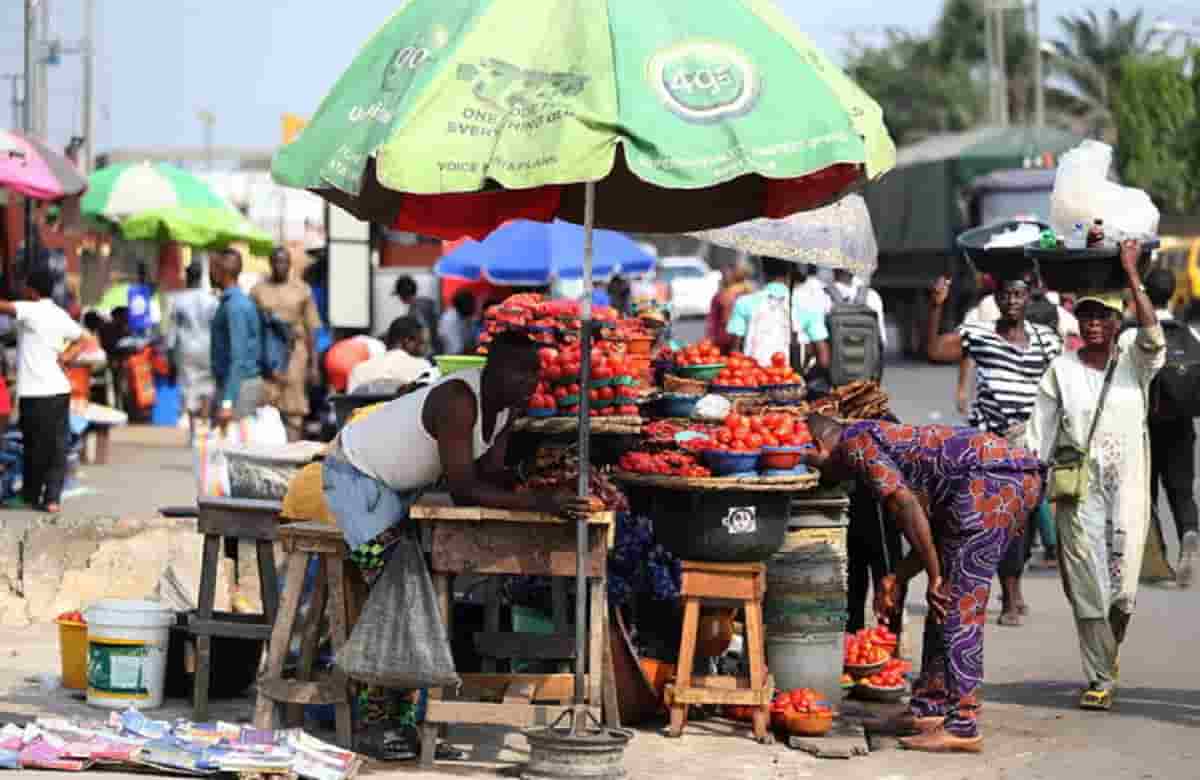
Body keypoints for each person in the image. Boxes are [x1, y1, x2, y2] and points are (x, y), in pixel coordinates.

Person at [322, 330, 593, 760]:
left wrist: (538, 474)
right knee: (401, 596)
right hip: (356, 478)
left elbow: (488, 473)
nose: (529, 382)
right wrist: (542, 500)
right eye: (519, 372)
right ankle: (375, 724)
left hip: (396, 490)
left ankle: (405, 724)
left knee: (416, 599)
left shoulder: (505, 408)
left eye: (534, 373)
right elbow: (465, 489)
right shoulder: (459, 401)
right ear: (493, 369)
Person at [803, 414, 1044, 753]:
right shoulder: (880, 439)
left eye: (807, 458)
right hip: (995, 481)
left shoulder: (854, 443)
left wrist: (935, 576)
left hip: (994, 483)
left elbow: (904, 505)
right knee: (943, 601)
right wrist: (898, 577)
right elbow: (926, 527)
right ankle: (929, 707)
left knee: (960, 604)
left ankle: (963, 724)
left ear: (818, 446)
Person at [1028, 239, 1163, 711]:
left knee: (1121, 592)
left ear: (1116, 321)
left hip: (1126, 485)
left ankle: (1109, 650)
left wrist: (1130, 274)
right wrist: (1024, 485)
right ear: (1077, 321)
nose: (1093, 323)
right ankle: (1100, 677)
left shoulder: (1135, 364)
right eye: (1086, 315)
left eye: (1103, 315)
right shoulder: (1060, 371)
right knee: (1087, 585)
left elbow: (1153, 336)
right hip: (1077, 490)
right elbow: (1037, 437)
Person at [927, 273, 1062, 626]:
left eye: (1018, 294)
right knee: (1006, 519)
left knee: (1025, 520)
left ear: (1027, 298)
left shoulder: (1046, 340)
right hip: (993, 444)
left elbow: (1062, 379)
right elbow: (936, 349)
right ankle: (1011, 597)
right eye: (1006, 295)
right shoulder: (981, 334)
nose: (1012, 301)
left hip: (1035, 444)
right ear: (997, 300)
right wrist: (936, 308)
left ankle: (1012, 589)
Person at [0, 268, 86, 513]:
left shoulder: (31, 309)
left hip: (33, 392)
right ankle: (52, 499)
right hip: (58, 389)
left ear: (32, 290)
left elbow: (5, 307)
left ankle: (30, 495)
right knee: (57, 445)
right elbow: (84, 339)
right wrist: (66, 358)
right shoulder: (59, 314)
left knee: (34, 446)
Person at [1139, 268, 1200, 586]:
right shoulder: (1191, 335)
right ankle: (1189, 532)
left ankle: (1157, 556)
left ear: (1145, 293)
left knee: (1144, 494)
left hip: (1144, 425)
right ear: (1173, 292)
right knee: (1181, 489)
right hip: (1181, 426)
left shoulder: (1134, 334)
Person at [252, 248, 322, 440]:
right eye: (276, 261)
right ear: (270, 263)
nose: (279, 266)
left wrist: (314, 366)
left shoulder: (302, 290)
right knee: (266, 402)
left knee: (294, 407)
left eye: (283, 262)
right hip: (266, 355)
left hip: (295, 352)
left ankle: (291, 455)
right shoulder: (258, 291)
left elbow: (311, 328)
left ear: (289, 264)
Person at [726, 257, 830, 370]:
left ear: (763, 270)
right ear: (790, 271)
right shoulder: (809, 305)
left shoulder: (744, 302)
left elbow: (735, 352)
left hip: (753, 379)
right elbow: (823, 359)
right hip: (791, 380)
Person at [210, 249, 264, 423]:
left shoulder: (235, 307)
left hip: (239, 387)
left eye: (213, 268)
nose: (210, 274)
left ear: (221, 272)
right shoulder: (232, 302)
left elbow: (238, 357)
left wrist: (227, 401)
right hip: (236, 384)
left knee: (236, 444)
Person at [165, 263, 218, 440]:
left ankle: (194, 431)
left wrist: (170, 356)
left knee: (189, 387)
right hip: (208, 347)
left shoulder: (177, 300)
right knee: (207, 387)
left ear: (187, 277)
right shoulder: (211, 300)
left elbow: (171, 332)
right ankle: (204, 427)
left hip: (186, 348)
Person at [348, 317, 436, 393]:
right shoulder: (423, 367)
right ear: (408, 341)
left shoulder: (358, 370)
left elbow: (348, 407)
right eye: (423, 344)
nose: (427, 350)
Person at [823, 268, 888, 351]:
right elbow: (882, 341)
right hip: (866, 361)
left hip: (836, 360)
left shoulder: (822, 296)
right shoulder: (872, 295)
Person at [706, 262, 754, 353]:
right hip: (744, 341)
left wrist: (710, 339)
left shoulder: (722, 296)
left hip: (725, 342)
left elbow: (713, 322)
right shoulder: (750, 293)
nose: (722, 277)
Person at [394, 276, 438, 356]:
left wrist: (423, 352)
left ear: (402, 295)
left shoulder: (415, 308)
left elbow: (425, 329)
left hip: (428, 352)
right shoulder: (427, 302)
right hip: (436, 348)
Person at [438, 291, 477, 356]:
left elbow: (470, 342)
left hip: (460, 356)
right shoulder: (450, 319)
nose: (474, 309)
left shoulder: (463, 318)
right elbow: (456, 349)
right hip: (452, 359)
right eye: (472, 306)